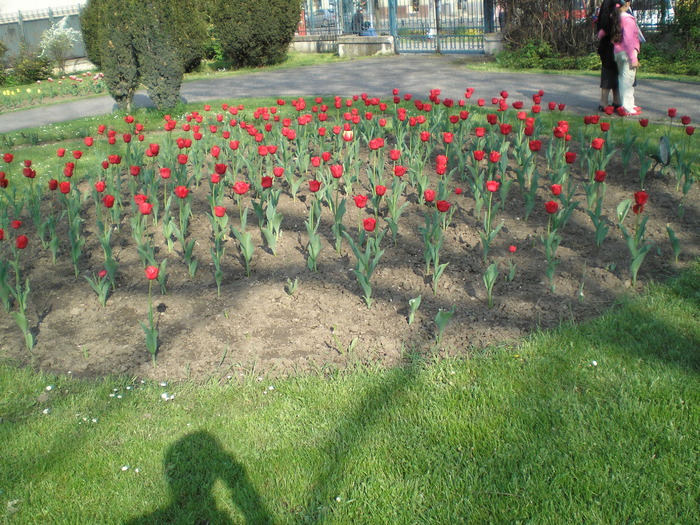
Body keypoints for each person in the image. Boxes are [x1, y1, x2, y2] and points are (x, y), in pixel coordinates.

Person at [611, 0, 642, 116]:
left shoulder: (615, 17)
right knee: (627, 80)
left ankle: (630, 103)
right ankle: (627, 107)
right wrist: (633, 58)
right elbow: (629, 40)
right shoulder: (628, 19)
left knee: (624, 78)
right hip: (627, 52)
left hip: (618, 52)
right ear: (627, 4)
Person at [594, 0, 621, 111]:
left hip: (617, 42)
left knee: (617, 72)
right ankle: (604, 102)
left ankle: (616, 101)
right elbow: (605, 22)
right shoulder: (609, 2)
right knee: (609, 71)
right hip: (609, 43)